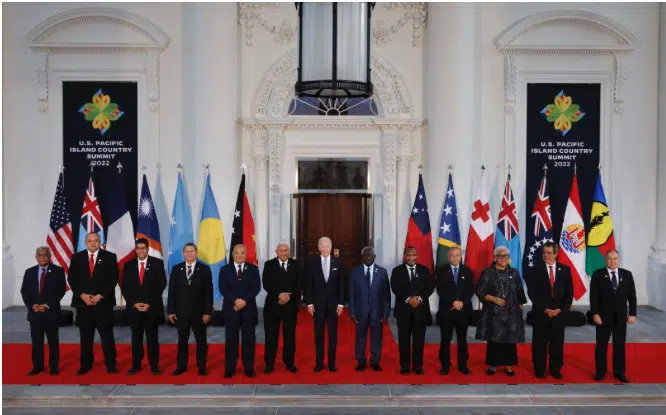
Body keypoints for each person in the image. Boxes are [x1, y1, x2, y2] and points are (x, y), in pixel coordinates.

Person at [68, 232, 118, 375]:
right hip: (83, 305)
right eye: (90, 241)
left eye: (96, 240)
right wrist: (81, 295)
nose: (93, 243)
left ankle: (111, 365)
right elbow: (72, 279)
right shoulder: (77, 258)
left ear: (100, 241)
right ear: (85, 242)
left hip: (103, 304)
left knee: (107, 337)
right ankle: (85, 365)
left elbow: (113, 279)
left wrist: (100, 296)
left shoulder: (109, 257)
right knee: (86, 338)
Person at [476, 246, 526, 376]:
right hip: (494, 312)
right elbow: (480, 291)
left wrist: (520, 304)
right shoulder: (488, 272)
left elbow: (520, 290)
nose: (503, 259)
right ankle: (493, 365)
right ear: (495, 257)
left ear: (509, 258)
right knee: (494, 339)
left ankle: (508, 365)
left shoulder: (514, 272)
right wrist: (493, 299)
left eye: (506, 256)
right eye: (500, 256)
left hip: (511, 312)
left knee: (510, 339)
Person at [525, 241, 573, 379]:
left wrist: (560, 309)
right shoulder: (535, 270)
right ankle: (539, 369)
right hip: (541, 313)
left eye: (549, 253)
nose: (546, 255)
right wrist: (544, 309)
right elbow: (532, 293)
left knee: (557, 343)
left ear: (556, 254)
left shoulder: (565, 270)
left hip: (558, 315)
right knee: (539, 343)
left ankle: (555, 368)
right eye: (544, 252)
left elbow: (569, 294)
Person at [120, 238, 167, 375]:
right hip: (135, 309)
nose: (140, 251)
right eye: (138, 248)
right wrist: (134, 303)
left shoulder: (157, 263)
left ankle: (154, 365)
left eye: (143, 248)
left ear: (147, 249)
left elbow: (161, 284)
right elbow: (125, 287)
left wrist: (149, 303)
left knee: (152, 338)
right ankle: (136, 365)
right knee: (136, 339)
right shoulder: (129, 265)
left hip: (151, 309)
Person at [590, 249, 637, 383]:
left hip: (621, 317)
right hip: (603, 317)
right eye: (610, 259)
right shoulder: (598, 275)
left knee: (619, 345)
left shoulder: (627, 275)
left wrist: (632, 313)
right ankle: (600, 372)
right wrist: (595, 313)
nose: (612, 261)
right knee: (601, 346)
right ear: (606, 260)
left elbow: (632, 296)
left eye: (615, 258)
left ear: (619, 259)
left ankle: (619, 372)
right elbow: (594, 297)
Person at [167, 242, 213, 376]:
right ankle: (181, 366)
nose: (189, 253)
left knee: (201, 342)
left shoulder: (204, 269)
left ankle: (202, 367)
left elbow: (208, 293)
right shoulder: (176, 269)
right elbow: (172, 292)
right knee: (182, 341)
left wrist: (208, 312)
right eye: (187, 251)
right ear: (183, 253)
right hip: (181, 313)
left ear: (196, 253)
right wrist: (170, 311)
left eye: (192, 251)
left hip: (199, 314)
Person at [20, 246, 66, 375]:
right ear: (36, 257)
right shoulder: (29, 272)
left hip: (51, 312)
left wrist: (47, 305)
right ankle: (37, 366)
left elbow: (61, 291)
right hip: (35, 313)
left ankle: (54, 366)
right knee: (36, 342)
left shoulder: (58, 271)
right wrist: (31, 305)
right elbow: (24, 291)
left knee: (53, 341)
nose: (42, 257)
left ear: (49, 257)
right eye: (40, 255)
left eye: (45, 255)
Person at [219, 244, 261, 378]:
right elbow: (223, 288)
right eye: (236, 253)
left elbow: (256, 288)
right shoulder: (225, 269)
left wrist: (243, 301)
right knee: (231, 340)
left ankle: (248, 368)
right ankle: (230, 368)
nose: (239, 255)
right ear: (232, 254)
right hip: (231, 309)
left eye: (242, 253)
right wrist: (235, 300)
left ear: (245, 254)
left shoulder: (253, 269)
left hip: (248, 309)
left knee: (249, 340)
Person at [391, 246, 434, 375]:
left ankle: (418, 366)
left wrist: (419, 298)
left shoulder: (425, 270)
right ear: (404, 256)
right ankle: (404, 366)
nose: (411, 258)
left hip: (420, 311)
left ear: (417, 256)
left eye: (413, 255)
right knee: (403, 340)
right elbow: (395, 287)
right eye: (408, 255)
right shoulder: (397, 271)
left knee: (419, 341)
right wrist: (408, 299)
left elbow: (430, 287)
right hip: (403, 311)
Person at [305, 236, 346, 372]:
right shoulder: (312, 262)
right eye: (322, 246)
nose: (325, 248)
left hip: (334, 305)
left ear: (331, 247)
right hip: (317, 305)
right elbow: (308, 285)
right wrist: (309, 303)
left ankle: (332, 363)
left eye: (327, 246)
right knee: (318, 335)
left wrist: (341, 304)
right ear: (318, 247)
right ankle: (319, 363)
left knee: (333, 335)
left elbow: (342, 285)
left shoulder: (338, 263)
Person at [348, 246, 391, 372]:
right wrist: (352, 312)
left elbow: (386, 295)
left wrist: (386, 312)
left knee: (376, 337)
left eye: (370, 255)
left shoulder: (382, 272)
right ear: (362, 257)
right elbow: (351, 293)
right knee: (360, 336)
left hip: (377, 312)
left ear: (374, 257)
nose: (368, 258)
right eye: (365, 256)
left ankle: (375, 361)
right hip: (360, 312)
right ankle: (361, 361)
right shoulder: (355, 272)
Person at [262, 242, 301, 374]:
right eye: (281, 250)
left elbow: (300, 283)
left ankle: (289, 363)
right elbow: (266, 283)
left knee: (289, 336)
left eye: (286, 250)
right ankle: (269, 364)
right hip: (273, 306)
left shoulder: (296, 264)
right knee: (271, 337)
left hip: (290, 306)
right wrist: (279, 295)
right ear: (276, 251)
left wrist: (289, 296)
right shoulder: (269, 265)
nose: (284, 252)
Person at [435, 247, 474, 375]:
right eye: (453, 256)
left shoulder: (467, 271)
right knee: (445, 339)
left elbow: (470, 289)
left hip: (463, 310)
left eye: (458, 255)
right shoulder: (441, 271)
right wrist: (453, 302)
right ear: (448, 257)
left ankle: (463, 365)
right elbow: (441, 290)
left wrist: (462, 302)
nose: (455, 258)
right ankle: (445, 365)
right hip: (447, 310)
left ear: (461, 256)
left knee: (462, 339)